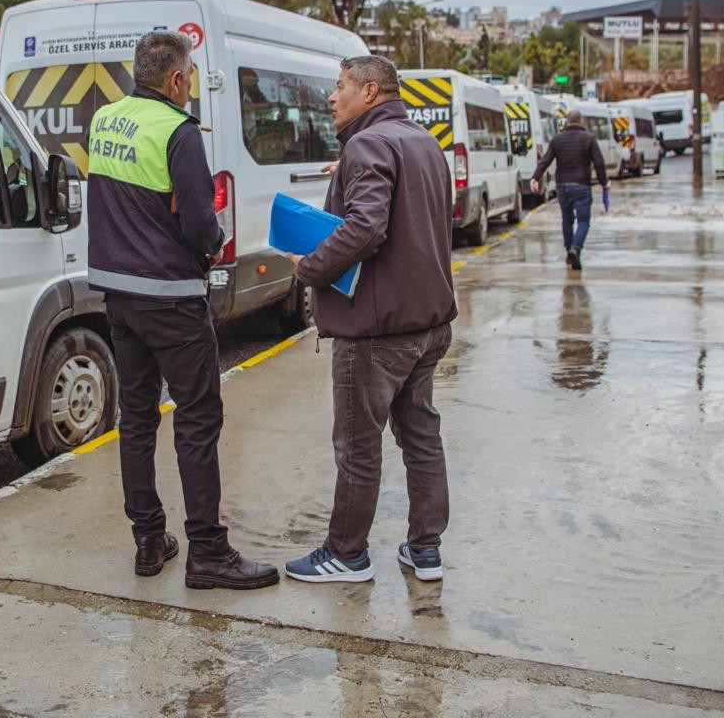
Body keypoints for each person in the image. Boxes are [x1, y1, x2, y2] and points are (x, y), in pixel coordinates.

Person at [86, 31, 279, 591]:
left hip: (118, 296)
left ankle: (149, 540)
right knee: (197, 417)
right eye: (189, 76)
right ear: (174, 80)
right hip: (171, 297)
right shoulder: (178, 131)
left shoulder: (106, 120)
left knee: (138, 418)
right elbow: (198, 224)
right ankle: (208, 554)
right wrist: (211, 237)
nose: (190, 86)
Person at [283, 54, 457, 584]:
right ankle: (425, 550)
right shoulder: (422, 141)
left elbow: (368, 227)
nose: (332, 98)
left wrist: (310, 268)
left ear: (371, 91)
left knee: (358, 445)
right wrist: (350, 172)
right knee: (420, 435)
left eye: (340, 87)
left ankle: (347, 553)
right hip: (427, 322)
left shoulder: (367, 144)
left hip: (378, 329)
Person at [530, 109, 609, 270]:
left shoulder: (557, 140)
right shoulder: (589, 139)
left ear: (566, 122)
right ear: (581, 122)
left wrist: (535, 177)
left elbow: (545, 161)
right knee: (584, 221)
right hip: (581, 185)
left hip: (562, 186)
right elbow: (599, 163)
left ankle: (570, 252)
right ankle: (576, 248)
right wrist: (604, 183)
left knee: (567, 220)